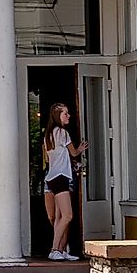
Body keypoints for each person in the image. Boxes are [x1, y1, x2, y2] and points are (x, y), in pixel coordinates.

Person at [41, 103, 81, 261]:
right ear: (58, 116)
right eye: (65, 113)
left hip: (51, 176)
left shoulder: (48, 135)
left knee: (58, 217)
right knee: (67, 216)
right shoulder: (63, 133)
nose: (68, 116)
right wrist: (81, 149)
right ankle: (55, 249)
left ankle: (62, 250)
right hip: (61, 177)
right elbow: (74, 152)